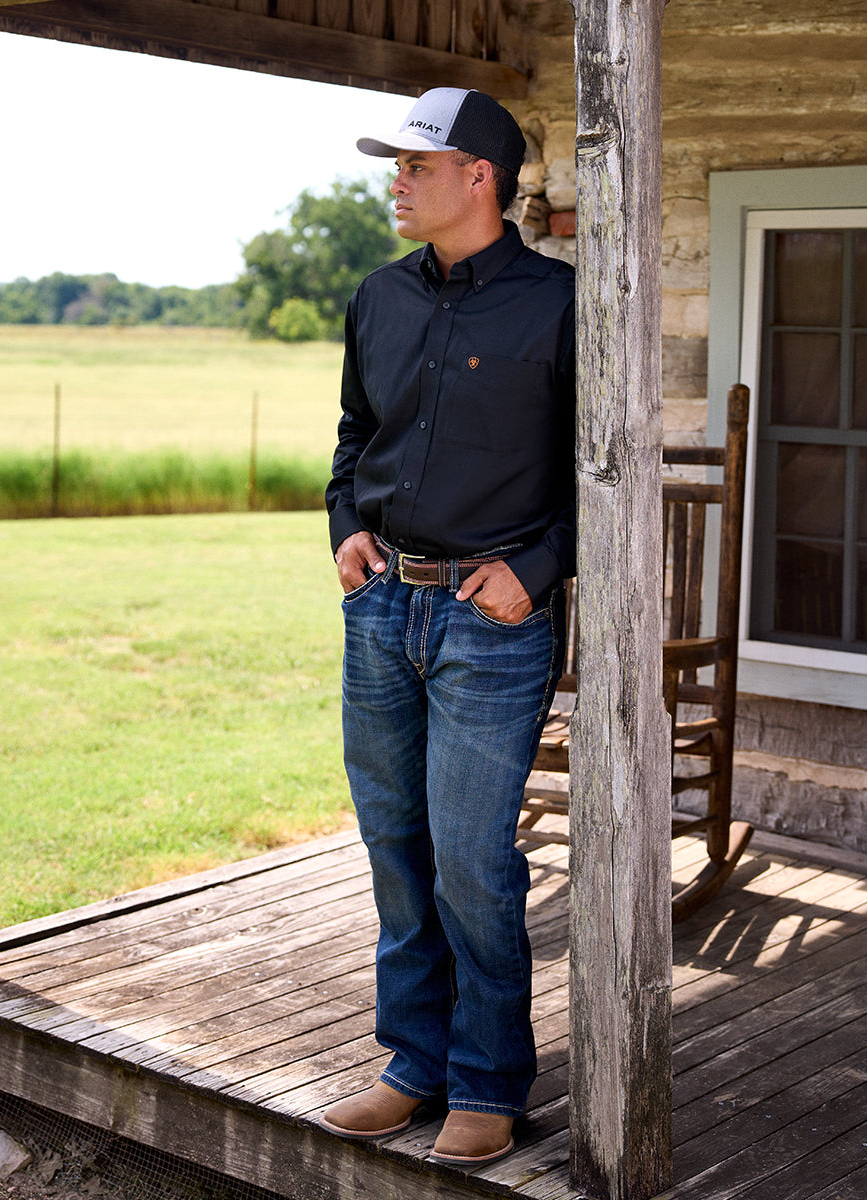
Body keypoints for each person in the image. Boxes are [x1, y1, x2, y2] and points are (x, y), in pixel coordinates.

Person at [319, 86, 576, 1166]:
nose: (397, 179)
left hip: (492, 621)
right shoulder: (377, 298)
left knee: (474, 859)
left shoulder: (564, 304)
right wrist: (345, 530)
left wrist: (540, 570)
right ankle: (411, 1065)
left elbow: (600, 467)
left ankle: (485, 1081)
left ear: (480, 176)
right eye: (397, 163)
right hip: (382, 609)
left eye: (417, 164)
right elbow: (353, 434)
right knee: (395, 849)